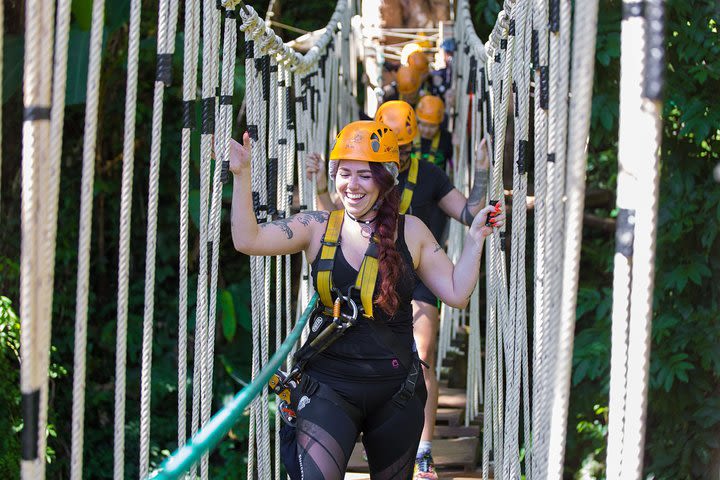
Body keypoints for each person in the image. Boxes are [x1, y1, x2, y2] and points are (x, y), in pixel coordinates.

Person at [231, 120, 503, 480]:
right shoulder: (316, 226)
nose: (352, 185)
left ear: (385, 179)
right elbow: (248, 240)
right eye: (344, 173)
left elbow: (455, 293)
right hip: (328, 386)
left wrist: (474, 240)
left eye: (364, 175)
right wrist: (241, 173)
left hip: (396, 393)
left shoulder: (412, 230)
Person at [306, 102, 491, 479]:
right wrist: (322, 186)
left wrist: (485, 172)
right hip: (363, 276)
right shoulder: (365, 174)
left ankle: (423, 449)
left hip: (418, 272)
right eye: (399, 147)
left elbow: (468, 214)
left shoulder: (429, 176)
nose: (405, 154)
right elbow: (334, 227)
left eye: (409, 147)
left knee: (420, 354)